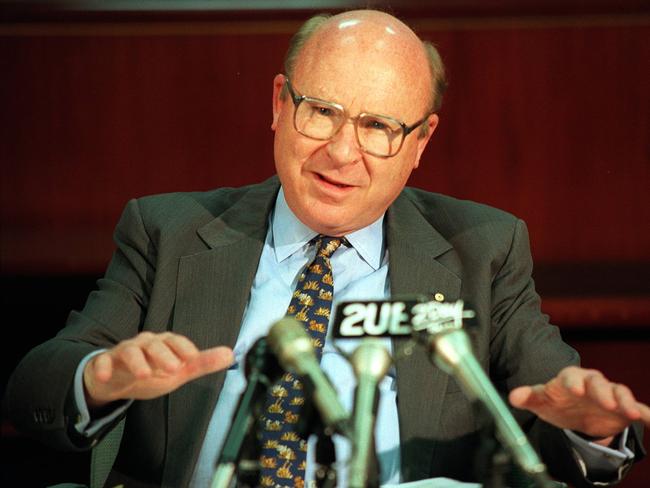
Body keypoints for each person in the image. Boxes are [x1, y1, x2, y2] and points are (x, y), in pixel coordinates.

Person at [4, 9, 649, 488]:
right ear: (281, 104)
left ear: (421, 142)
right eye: (321, 112)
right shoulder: (168, 231)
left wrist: (588, 425)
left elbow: (553, 405)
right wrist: (101, 378)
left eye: (378, 127)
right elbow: (36, 384)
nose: (342, 154)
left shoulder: (483, 249)